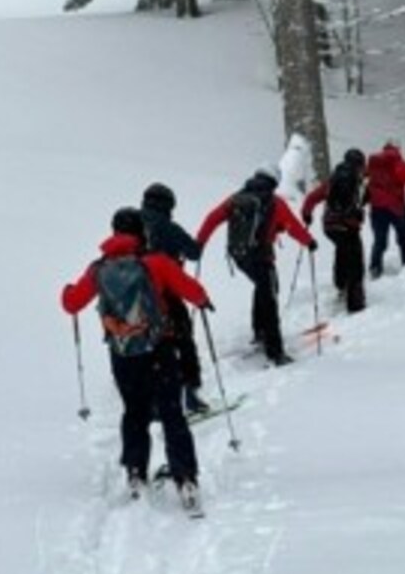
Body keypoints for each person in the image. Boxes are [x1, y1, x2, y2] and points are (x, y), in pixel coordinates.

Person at [61, 207, 214, 505]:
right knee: (172, 412)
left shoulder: (98, 269)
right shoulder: (156, 263)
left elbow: (71, 304)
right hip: (160, 347)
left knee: (134, 411)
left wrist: (66, 291)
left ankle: (135, 473)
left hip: (123, 353)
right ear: (140, 232)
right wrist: (204, 301)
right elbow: (192, 290)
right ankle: (186, 479)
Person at [196, 165, 317, 366]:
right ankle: (275, 351)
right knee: (269, 296)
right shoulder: (274, 202)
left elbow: (212, 218)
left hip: (239, 255)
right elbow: (293, 226)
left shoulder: (236, 198)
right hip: (261, 256)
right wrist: (309, 242)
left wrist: (200, 243)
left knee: (264, 287)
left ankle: (260, 331)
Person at [140, 181, 209, 418]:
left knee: (150, 346)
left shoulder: (131, 224)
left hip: (135, 299)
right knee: (183, 340)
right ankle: (190, 393)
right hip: (167, 294)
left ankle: (151, 403)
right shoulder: (169, 227)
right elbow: (194, 252)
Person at [302, 148, 367, 313]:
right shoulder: (354, 179)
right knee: (355, 261)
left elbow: (311, 198)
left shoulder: (333, 179)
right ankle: (355, 303)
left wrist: (307, 215)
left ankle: (341, 284)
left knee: (342, 249)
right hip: (348, 225)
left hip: (330, 226)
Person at [365, 139, 405, 278]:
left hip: (376, 209)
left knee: (379, 240)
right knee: (404, 238)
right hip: (397, 209)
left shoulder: (374, 163)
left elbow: (362, 178)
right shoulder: (402, 166)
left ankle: (375, 268)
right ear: (398, 149)